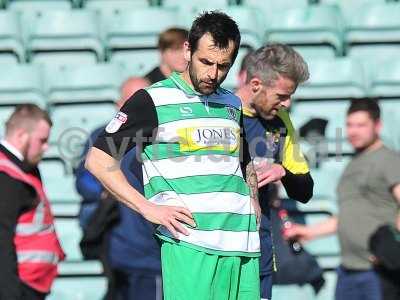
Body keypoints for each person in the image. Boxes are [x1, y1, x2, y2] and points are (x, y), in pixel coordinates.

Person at [86, 11, 263, 300]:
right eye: (206, 62)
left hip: (243, 244)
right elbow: (98, 160)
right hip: (192, 244)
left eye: (223, 66)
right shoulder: (152, 100)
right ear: (187, 50)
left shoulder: (231, 102)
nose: (212, 73)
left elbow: (243, 158)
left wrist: (253, 198)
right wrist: (147, 208)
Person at [285, 99, 400, 300]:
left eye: (361, 125)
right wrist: (308, 232)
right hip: (347, 271)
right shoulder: (354, 163)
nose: (353, 131)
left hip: (377, 274)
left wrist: (391, 251)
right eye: (349, 125)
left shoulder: (388, 159)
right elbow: (347, 216)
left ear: (378, 125)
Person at [235, 44, 314, 300]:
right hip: (214, 249)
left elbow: (304, 191)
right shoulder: (217, 113)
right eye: (281, 95)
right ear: (256, 84)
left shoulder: (280, 122)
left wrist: (283, 171)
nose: (287, 103)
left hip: (260, 251)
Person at [75, 76, 163, 300]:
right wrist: (106, 188)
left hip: (152, 254)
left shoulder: (163, 139)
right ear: (119, 105)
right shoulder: (100, 136)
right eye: (131, 100)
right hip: (117, 251)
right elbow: (84, 181)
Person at [0, 104, 65, 300]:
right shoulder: (6, 176)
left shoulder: (23, 169)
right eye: (42, 140)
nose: (46, 147)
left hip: (30, 284)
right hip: (17, 286)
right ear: (21, 135)